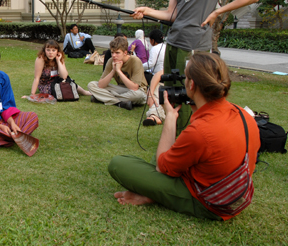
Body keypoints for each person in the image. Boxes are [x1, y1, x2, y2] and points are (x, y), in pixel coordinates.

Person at [132, 0, 258, 132]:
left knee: (191, 94)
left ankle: (189, 137)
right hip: (172, 43)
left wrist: (218, 12)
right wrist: (147, 10)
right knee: (172, 94)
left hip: (195, 45)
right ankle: (174, 135)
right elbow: (171, 15)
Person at [108, 52, 261, 221]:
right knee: (168, 148)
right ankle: (154, 191)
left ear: (192, 84)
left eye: (185, 77)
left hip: (209, 203)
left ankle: (154, 194)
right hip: (234, 195)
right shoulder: (245, 115)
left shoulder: (200, 131)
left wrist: (170, 119)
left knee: (119, 163)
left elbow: (161, 166)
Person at [88, 37, 147, 110]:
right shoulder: (111, 61)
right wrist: (113, 71)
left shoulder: (135, 61)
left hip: (136, 91)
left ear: (125, 52)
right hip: (121, 89)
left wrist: (118, 71)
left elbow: (134, 87)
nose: (114, 55)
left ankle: (102, 98)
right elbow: (101, 85)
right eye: (112, 52)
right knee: (92, 85)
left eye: (117, 53)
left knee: (138, 95)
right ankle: (119, 103)